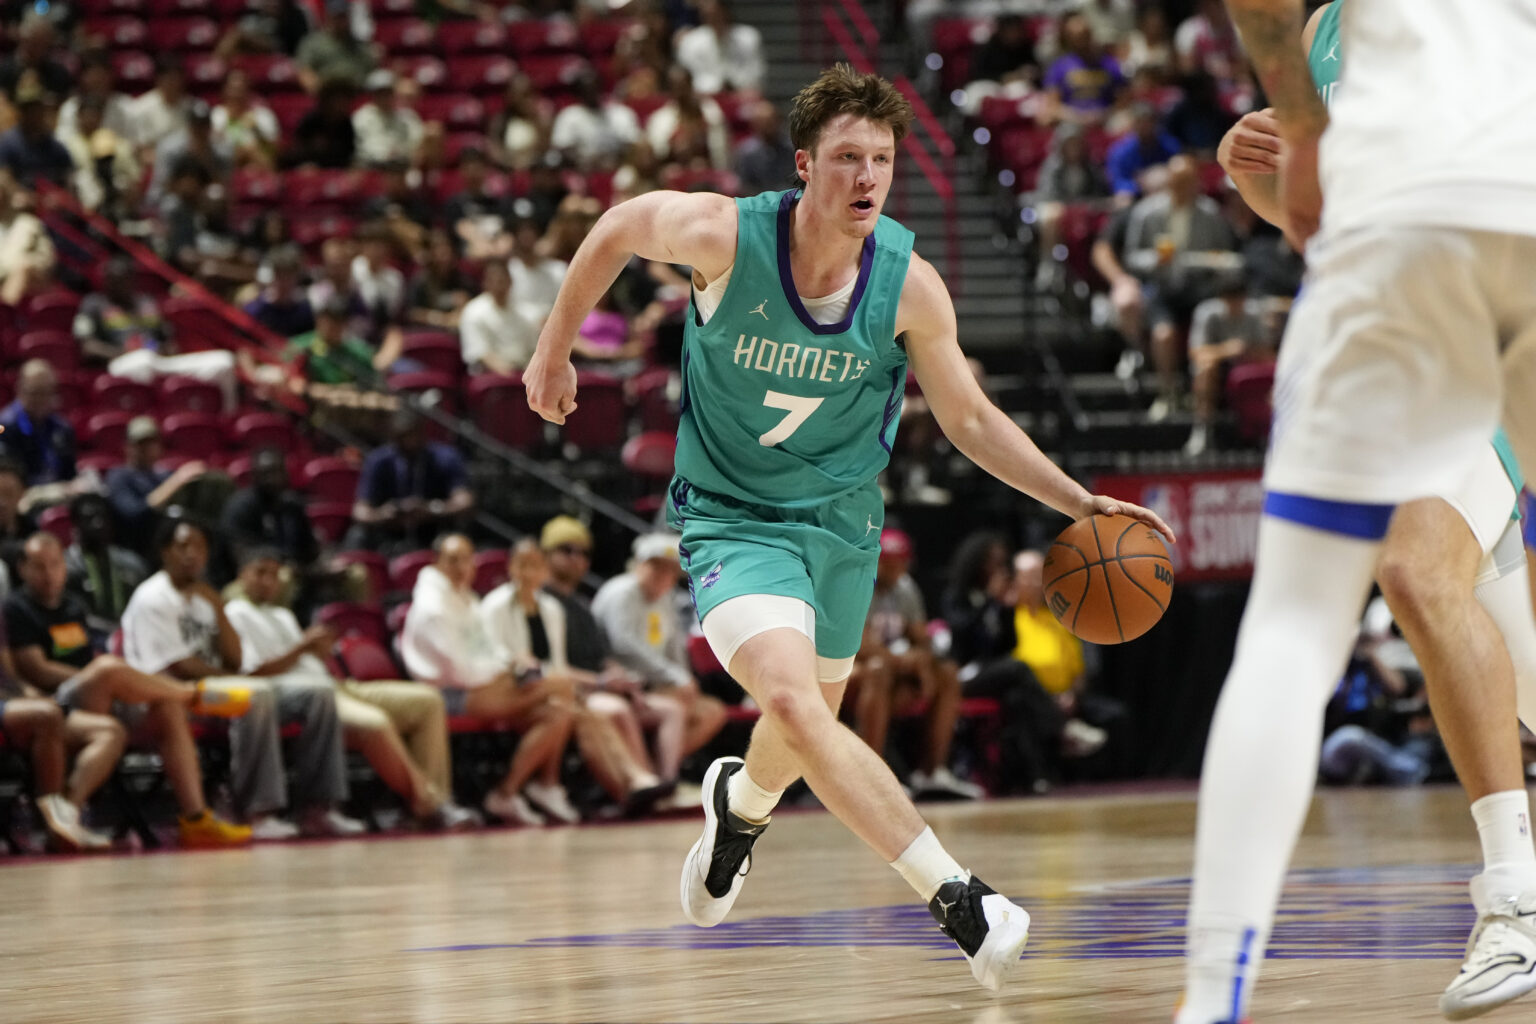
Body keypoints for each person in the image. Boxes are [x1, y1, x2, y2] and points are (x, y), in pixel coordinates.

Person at [523, 63, 1173, 991]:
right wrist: (554, 348)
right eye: (846, 158)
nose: (867, 177)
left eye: (882, 159)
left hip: (840, 528)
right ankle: (959, 897)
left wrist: (1079, 502)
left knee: (806, 726)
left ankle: (739, 808)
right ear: (804, 165)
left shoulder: (910, 287)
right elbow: (621, 225)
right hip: (733, 518)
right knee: (792, 704)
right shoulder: (723, 235)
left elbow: (971, 418)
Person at [1177, 0, 1536, 1020]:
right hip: (1392, 335)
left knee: (1409, 571)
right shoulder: (1324, 30)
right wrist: (1262, 163)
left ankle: (1515, 898)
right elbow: (1314, 218)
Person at [6, 533, 253, 848]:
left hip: (94, 702)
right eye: (39, 566)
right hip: (54, 702)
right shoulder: (16, 608)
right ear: (22, 569)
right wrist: (94, 676)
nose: (49, 574)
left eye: (55, 564)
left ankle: (195, 819)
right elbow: (36, 669)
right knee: (108, 669)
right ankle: (194, 694)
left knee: (166, 708)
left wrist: (102, 679)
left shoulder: (73, 606)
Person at [122, 519, 362, 840]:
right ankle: (258, 812)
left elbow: (235, 659)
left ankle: (318, 810)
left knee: (318, 694)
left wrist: (217, 607)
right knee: (253, 695)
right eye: (183, 546)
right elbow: (180, 666)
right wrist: (234, 679)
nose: (192, 554)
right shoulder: (153, 596)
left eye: (199, 547)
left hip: (211, 690)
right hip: (172, 696)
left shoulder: (204, 597)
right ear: (165, 552)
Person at [225, 547, 478, 831]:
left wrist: (318, 650)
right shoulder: (235, 613)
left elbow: (302, 658)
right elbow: (253, 672)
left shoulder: (281, 614)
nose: (268, 581)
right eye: (260, 573)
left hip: (336, 684)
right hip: (305, 695)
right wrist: (303, 647)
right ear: (242, 575)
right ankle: (433, 804)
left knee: (428, 700)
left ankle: (431, 806)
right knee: (374, 722)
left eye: (273, 575)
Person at [399, 534, 578, 826]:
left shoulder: (464, 597)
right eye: (453, 560)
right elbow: (459, 672)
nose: (462, 568)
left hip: (477, 685)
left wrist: (511, 664)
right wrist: (503, 673)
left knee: (557, 711)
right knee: (559, 687)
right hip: (447, 694)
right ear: (437, 563)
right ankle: (539, 785)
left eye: (467, 560)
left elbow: (488, 649)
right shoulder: (433, 606)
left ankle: (510, 792)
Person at [482, 539, 672, 814]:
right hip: (507, 690)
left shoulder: (551, 608)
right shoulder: (495, 605)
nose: (529, 573)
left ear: (544, 570)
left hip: (545, 691)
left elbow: (557, 665)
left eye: (535, 566)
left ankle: (629, 787)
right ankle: (629, 784)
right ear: (511, 568)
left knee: (569, 709)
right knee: (573, 702)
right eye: (523, 565)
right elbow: (494, 658)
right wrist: (522, 664)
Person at [591, 533, 729, 790]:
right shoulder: (622, 591)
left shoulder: (665, 597)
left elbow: (674, 644)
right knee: (676, 707)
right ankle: (666, 779)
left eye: (669, 570)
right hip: (623, 685)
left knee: (711, 711)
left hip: (653, 683)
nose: (663, 575)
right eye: (656, 567)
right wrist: (675, 677)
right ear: (639, 564)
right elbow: (623, 645)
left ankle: (657, 775)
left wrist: (685, 679)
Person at [852, 529, 979, 799]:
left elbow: (921, 638)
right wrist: (904, 661)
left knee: (946, 673)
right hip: (846, 669)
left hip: (890, 673)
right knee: (877, 670)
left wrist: (922, 660)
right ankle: (868, 777)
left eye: (899, 563)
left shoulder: (905, 588)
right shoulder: (857, 583)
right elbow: (857, 645)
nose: (893, 569)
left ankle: (933, 772)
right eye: (887, 562)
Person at [0, 690, 118, 850]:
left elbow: (32, 678)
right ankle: (56, 826)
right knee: (45, 715)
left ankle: (67, 816)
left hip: (18, 703)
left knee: (109, 730)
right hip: (12, 706)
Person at [349, 409, 474, 552]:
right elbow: (360, 511)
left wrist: (432, 509)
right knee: (357, 535)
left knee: (457, 539)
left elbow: (465, 502)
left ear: (422, 433)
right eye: (401, 438)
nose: (409, 443)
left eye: (412, 436)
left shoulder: (445, 458)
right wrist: (383, 514)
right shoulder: (379, 461)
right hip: (389, 533)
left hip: (434, 531)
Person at [104, 416, 220, 550]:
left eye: (151, 442)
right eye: (140, 443)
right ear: (127, 446)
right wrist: (177, 480)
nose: (147, 448)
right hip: (136, 546)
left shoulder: (164, 475)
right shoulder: (119, 476)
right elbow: (134, 514)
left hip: (169, 544)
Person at [65, 491, 150, 633]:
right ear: (76, 524)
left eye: (102, 517)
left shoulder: (133, 564)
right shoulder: (65, 567)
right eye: (89, 518)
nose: (98, 523)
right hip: (83, 636)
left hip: (128, 634)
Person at [0, 359, 76, 488]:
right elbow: (8, 479)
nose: (40, 399)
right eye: (35, 392)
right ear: (20, 389)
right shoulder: (5, 427)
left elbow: (70, 473)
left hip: (59, 492)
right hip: (22, 493)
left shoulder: (62, 427)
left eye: (46, 393)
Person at [459, 260, 540, 376]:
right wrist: (510, 375)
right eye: (492, 281)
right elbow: (480, 353)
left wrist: (527, 374)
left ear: (510, 282)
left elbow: (533, 350)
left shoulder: (526, 313)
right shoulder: (473, 311)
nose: (498, 286)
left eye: (501, 281)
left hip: (522, 372)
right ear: (485, 283)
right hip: (488, 375)